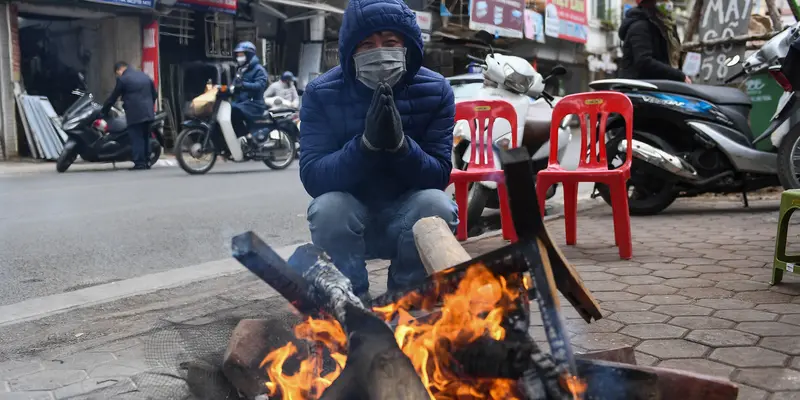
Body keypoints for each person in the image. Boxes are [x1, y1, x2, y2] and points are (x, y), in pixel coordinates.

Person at [294, 0, 458, 299]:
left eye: (390, 42)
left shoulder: (437, 91)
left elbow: (438, 176)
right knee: (327, 208)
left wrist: (401, 146)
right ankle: (351, 306)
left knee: (437, 205)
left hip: (406, 216)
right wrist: (364, 146)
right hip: (353, 217)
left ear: (407, 47)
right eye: (366, 44)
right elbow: (313, 176)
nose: (379, 53)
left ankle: (406, 304)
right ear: (350, 51)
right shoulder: (321, 94)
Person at [101, 61, 158, 170]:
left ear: (119, 70)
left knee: (137, 138)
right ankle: (147, 161)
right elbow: (154, 94)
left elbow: (113, 97)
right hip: (148, 112)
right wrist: (150, 106)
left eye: (117, 74)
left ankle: (140, 163)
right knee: (146, 137)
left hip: (135, 113)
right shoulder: (144, 76)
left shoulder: (123, 79)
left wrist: (104, 110)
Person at [619, 0, 691, 83]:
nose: (667, 3)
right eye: (662, 0)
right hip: (640, 88)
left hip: (661, 85)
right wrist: (678, 76)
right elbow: (644, 62)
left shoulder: (667, 27)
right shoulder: (640, 27)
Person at [230, 41, 268, 138]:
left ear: (249, 55)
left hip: (254, 104)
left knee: (234, 111)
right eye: (238, 55)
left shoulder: (259, 69)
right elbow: (234, 84)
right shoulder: (240, 69)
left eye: (241, 54)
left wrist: (244, 85)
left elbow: (260, 85)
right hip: (242, 102)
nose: (239, 57)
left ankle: (246, 137)